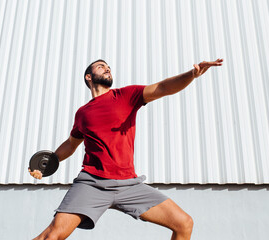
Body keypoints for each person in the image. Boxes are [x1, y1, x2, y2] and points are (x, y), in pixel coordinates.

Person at [29, 58, 223, 240]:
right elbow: (71, 144)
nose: (107, 68)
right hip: (92, 183)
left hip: (129, 185)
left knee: (184, 223)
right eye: (101, 66)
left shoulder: (126, 95)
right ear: (88, 77)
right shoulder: (83, 113)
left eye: (108, 67)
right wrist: (48, 163)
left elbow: (163, 87)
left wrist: (191, 74)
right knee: (51, 236)